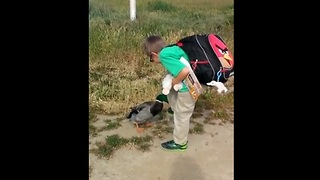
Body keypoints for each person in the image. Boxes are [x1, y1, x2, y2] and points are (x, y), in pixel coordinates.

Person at [143, 35, 196, 152]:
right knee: (170, 91)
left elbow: (184, 71)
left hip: (189, 87)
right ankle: (174, 108)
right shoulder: (171, 49)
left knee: (182, 115)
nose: (153, 62)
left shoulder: (164, 55)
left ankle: (180, 143)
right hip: (193, 81)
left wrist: (174, 82)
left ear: (154, 54)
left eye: (151, 59)